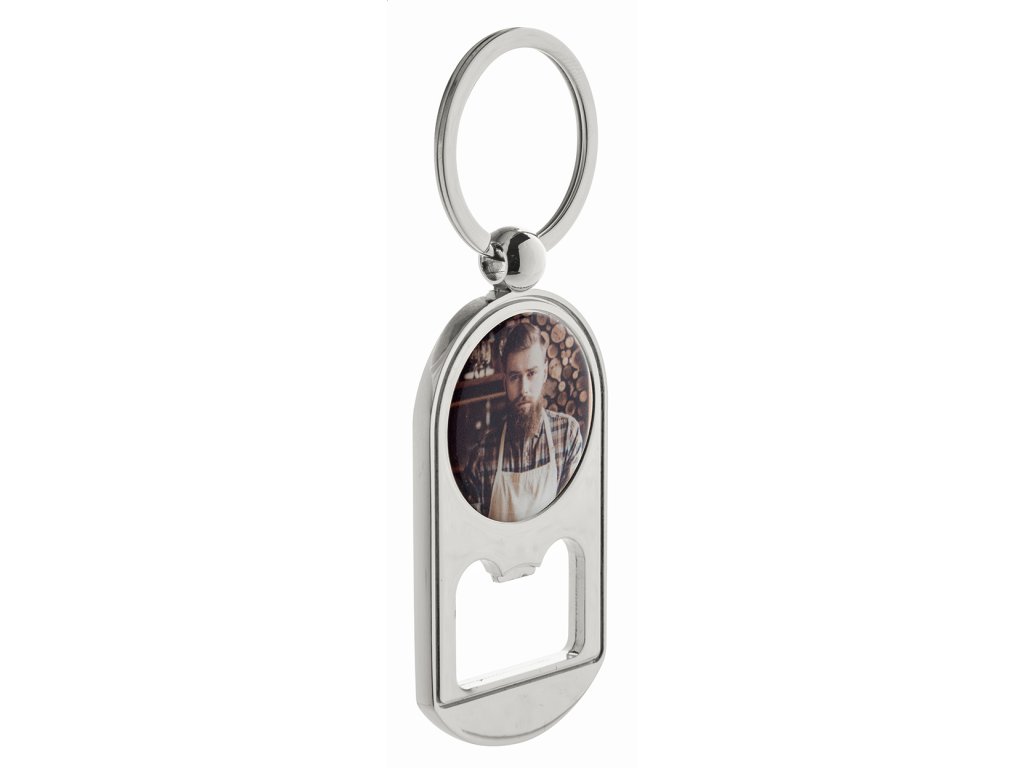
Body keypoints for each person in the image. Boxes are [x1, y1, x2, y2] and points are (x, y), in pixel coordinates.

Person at [463, 322, 584, 522]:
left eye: (531, 374)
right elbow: (475, 531)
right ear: (505, 382)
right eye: (514, 377)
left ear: (545, 373)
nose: (523, 389)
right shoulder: (482, 455)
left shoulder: (567, 435)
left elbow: (572, 518)